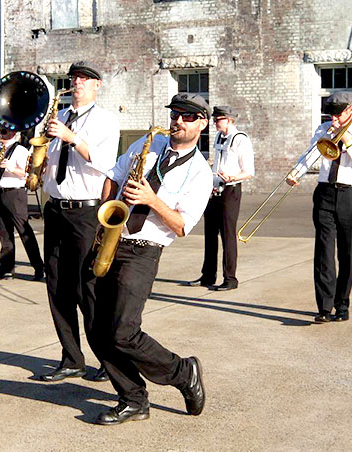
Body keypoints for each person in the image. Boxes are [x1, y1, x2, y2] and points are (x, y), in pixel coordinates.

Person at [92, 93, 213, 425]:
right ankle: (132, 398)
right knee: (98, 330)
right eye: (175, 114)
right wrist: (103, 220)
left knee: (123, 332)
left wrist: (152, 199)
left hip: (144, 250)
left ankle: (182, 371)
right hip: (113, 238)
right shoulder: (150, 144)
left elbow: (182, 225)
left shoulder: (201, 172)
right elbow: (113, 176)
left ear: (202, 123)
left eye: (187, 117)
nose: (177, 121)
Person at [39, 61, 120, 382]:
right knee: (57, 286)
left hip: (86, 212)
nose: (78, 83)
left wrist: (71, 137)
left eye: (85, 79)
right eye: (75, 78)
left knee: (89, 288)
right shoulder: (57, 117)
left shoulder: (105, 120)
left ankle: (107, 358)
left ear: (97, 85)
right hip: (56, 208)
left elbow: (104, 162)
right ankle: (71, 357)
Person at [286, 91, 352, 323]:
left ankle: (342, 305)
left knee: (347, 252)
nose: (333, 119)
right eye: (331, 114)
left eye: (338, 114)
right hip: (325, 193)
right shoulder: (323, 128)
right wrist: (297, 172)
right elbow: (311, 154)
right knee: (323, 251)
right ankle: (324, 307)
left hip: (351, 194)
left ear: (349, 111)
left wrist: (348, 141)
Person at [187, 106, 254, 291]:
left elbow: (249, 171)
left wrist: (232, 177)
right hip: (214, 188)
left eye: (218, 120)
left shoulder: (240, 139)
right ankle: (207, 276)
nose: (215, 123)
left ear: (229, 120)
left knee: (227, 235)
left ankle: (230, 278)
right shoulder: (218, 137)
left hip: (230, 190)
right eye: (215, 120)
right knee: (210, 234)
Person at [0, 128, 44, 281]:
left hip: (15, 193)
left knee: (24, 231)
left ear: (12, 134)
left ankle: (39, 268)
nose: (0, 135)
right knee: (4, 233)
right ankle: (6, 269)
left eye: (3, 132)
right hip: (1, 193)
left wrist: (11, 166)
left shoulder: (20, 151)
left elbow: (26, 173)